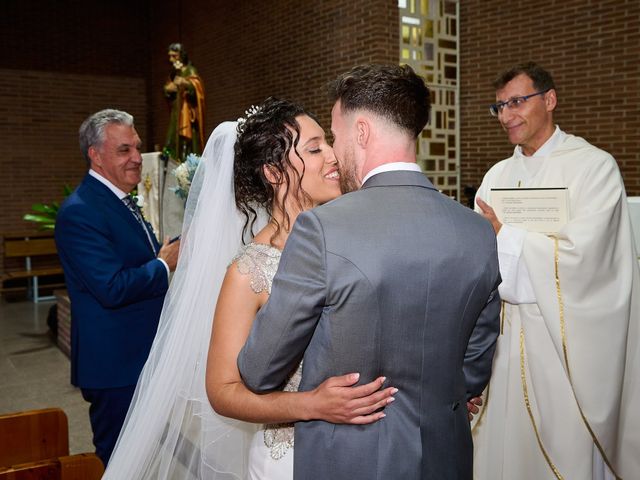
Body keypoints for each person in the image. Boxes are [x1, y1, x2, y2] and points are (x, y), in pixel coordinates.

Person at [104, 98, 394, 480]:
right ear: (274, 172)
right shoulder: (249, 270)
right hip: (291, 458)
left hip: (374, 448)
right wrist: (313, 405)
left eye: (328, 143)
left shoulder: (357, 241)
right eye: (314, 148)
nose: (333, 156)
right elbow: (223, 391)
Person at [238, 64, 502, 480]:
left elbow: (260, 368)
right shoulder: (477, 231)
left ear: (360, 132)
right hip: (444, 453)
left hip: (349, 457)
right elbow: (474, 367)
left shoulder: (322, 229)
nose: (334, 151)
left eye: (336, 136)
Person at [473, 62, 640, 479]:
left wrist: (504, 235)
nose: (507, 114)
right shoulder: (496, 177)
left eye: (516, 101)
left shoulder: (593, 168)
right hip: (504, 350)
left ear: (549, 100)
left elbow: (589, 261)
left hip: (566, 351)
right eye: (499, 106)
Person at [54, 109, 181, 466]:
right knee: (122, 462)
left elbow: (133, 259)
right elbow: (111, 286)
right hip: (115, 364)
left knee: (146, 459)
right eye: (124, 150)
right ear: (95, 155)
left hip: (139, 355)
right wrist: (163, 264)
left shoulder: (120, 200)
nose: (138, 158)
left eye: (137, 148)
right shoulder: (80, 212)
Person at [163, 43, 206, 163]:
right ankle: (174, 161)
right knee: (173, 138)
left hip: (187, 112)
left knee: (188, 140)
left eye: (174, 56)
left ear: (181, 55)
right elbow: (168, 90)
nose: (171, 59)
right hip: (176, 111)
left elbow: (197, 87)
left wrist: (185, 83)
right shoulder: (174, 73)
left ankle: (188, 164)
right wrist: (168, 89)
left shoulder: (190, 70)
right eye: (170, 56)